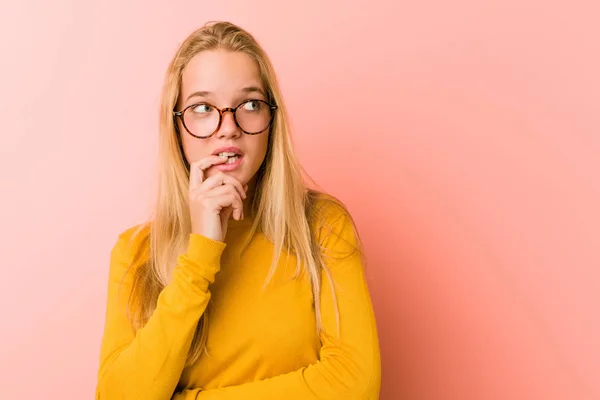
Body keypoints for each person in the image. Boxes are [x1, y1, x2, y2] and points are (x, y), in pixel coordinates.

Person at [95, 21, 381, 399]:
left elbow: (354, 385)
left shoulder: (321, 226)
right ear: (176, 126)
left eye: (249, 104)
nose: (228, 127)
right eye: (202, 108)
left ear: (271, 119)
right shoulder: (136, 252)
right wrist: (200, 255)